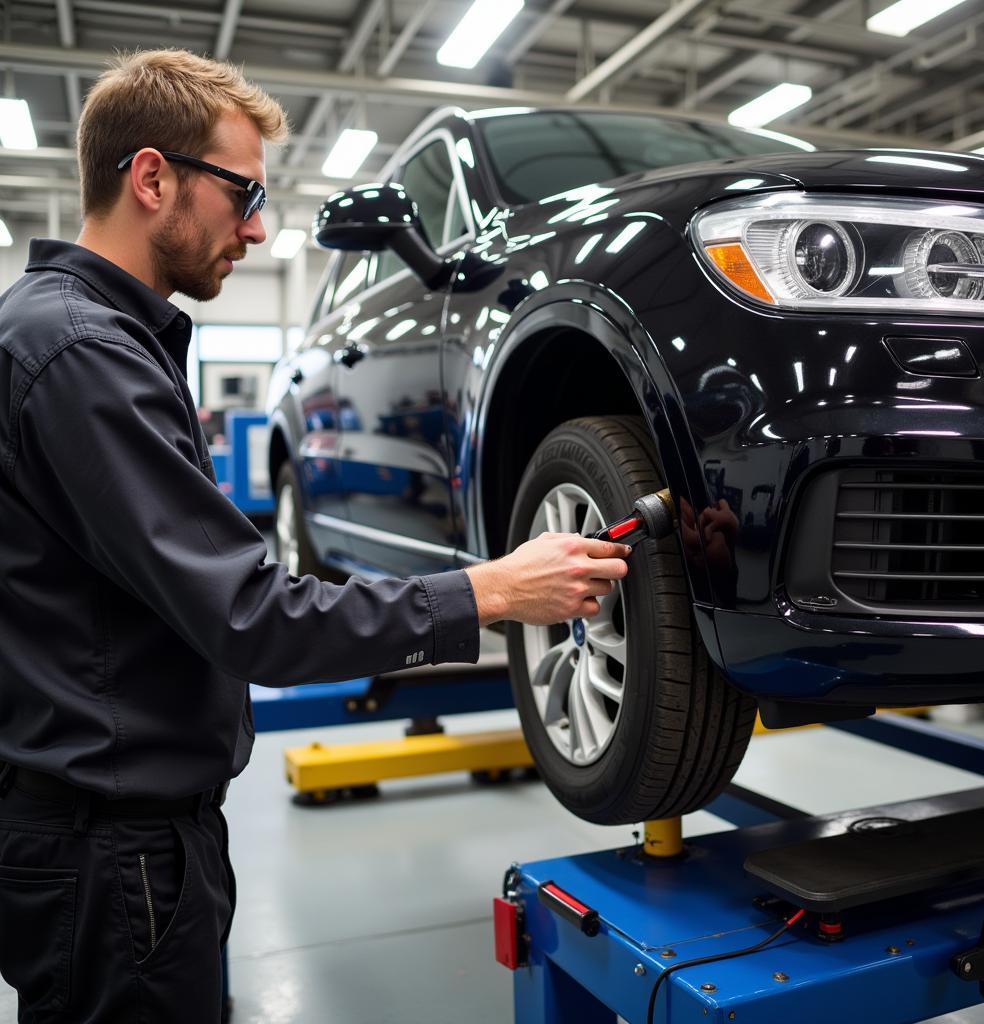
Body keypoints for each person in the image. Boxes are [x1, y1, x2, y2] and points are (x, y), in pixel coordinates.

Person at [0, 49, 630, 1022]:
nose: (256, 227)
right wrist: (490, 591)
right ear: (152, 176)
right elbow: (252, 612)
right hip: (110, 856)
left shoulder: (73, 335)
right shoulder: (82, 354)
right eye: (241, 192)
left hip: (108, 836)